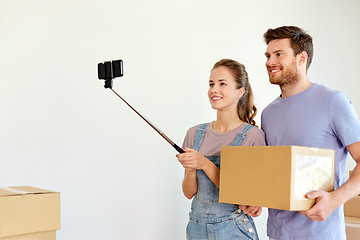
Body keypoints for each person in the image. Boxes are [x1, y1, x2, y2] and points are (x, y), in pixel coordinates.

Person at [260, 26, 360, 240]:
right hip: (277, 234)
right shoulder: (268, 114)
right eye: (268, 55)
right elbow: (272, 173)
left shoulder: (333, 102)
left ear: (301, 58)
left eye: (279, 54)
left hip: (321, 234)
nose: (270, 62)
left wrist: (334, 200)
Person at [176, 59, 265, 240]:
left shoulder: (252, 136)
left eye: (222, 84)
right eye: (211, 84)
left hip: (234, 229)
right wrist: (192, 168)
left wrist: (205, 164)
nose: (213, 90)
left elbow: (243, 199)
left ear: (240, 91)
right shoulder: (194, 133)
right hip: (196, 229)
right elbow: (188, 192)